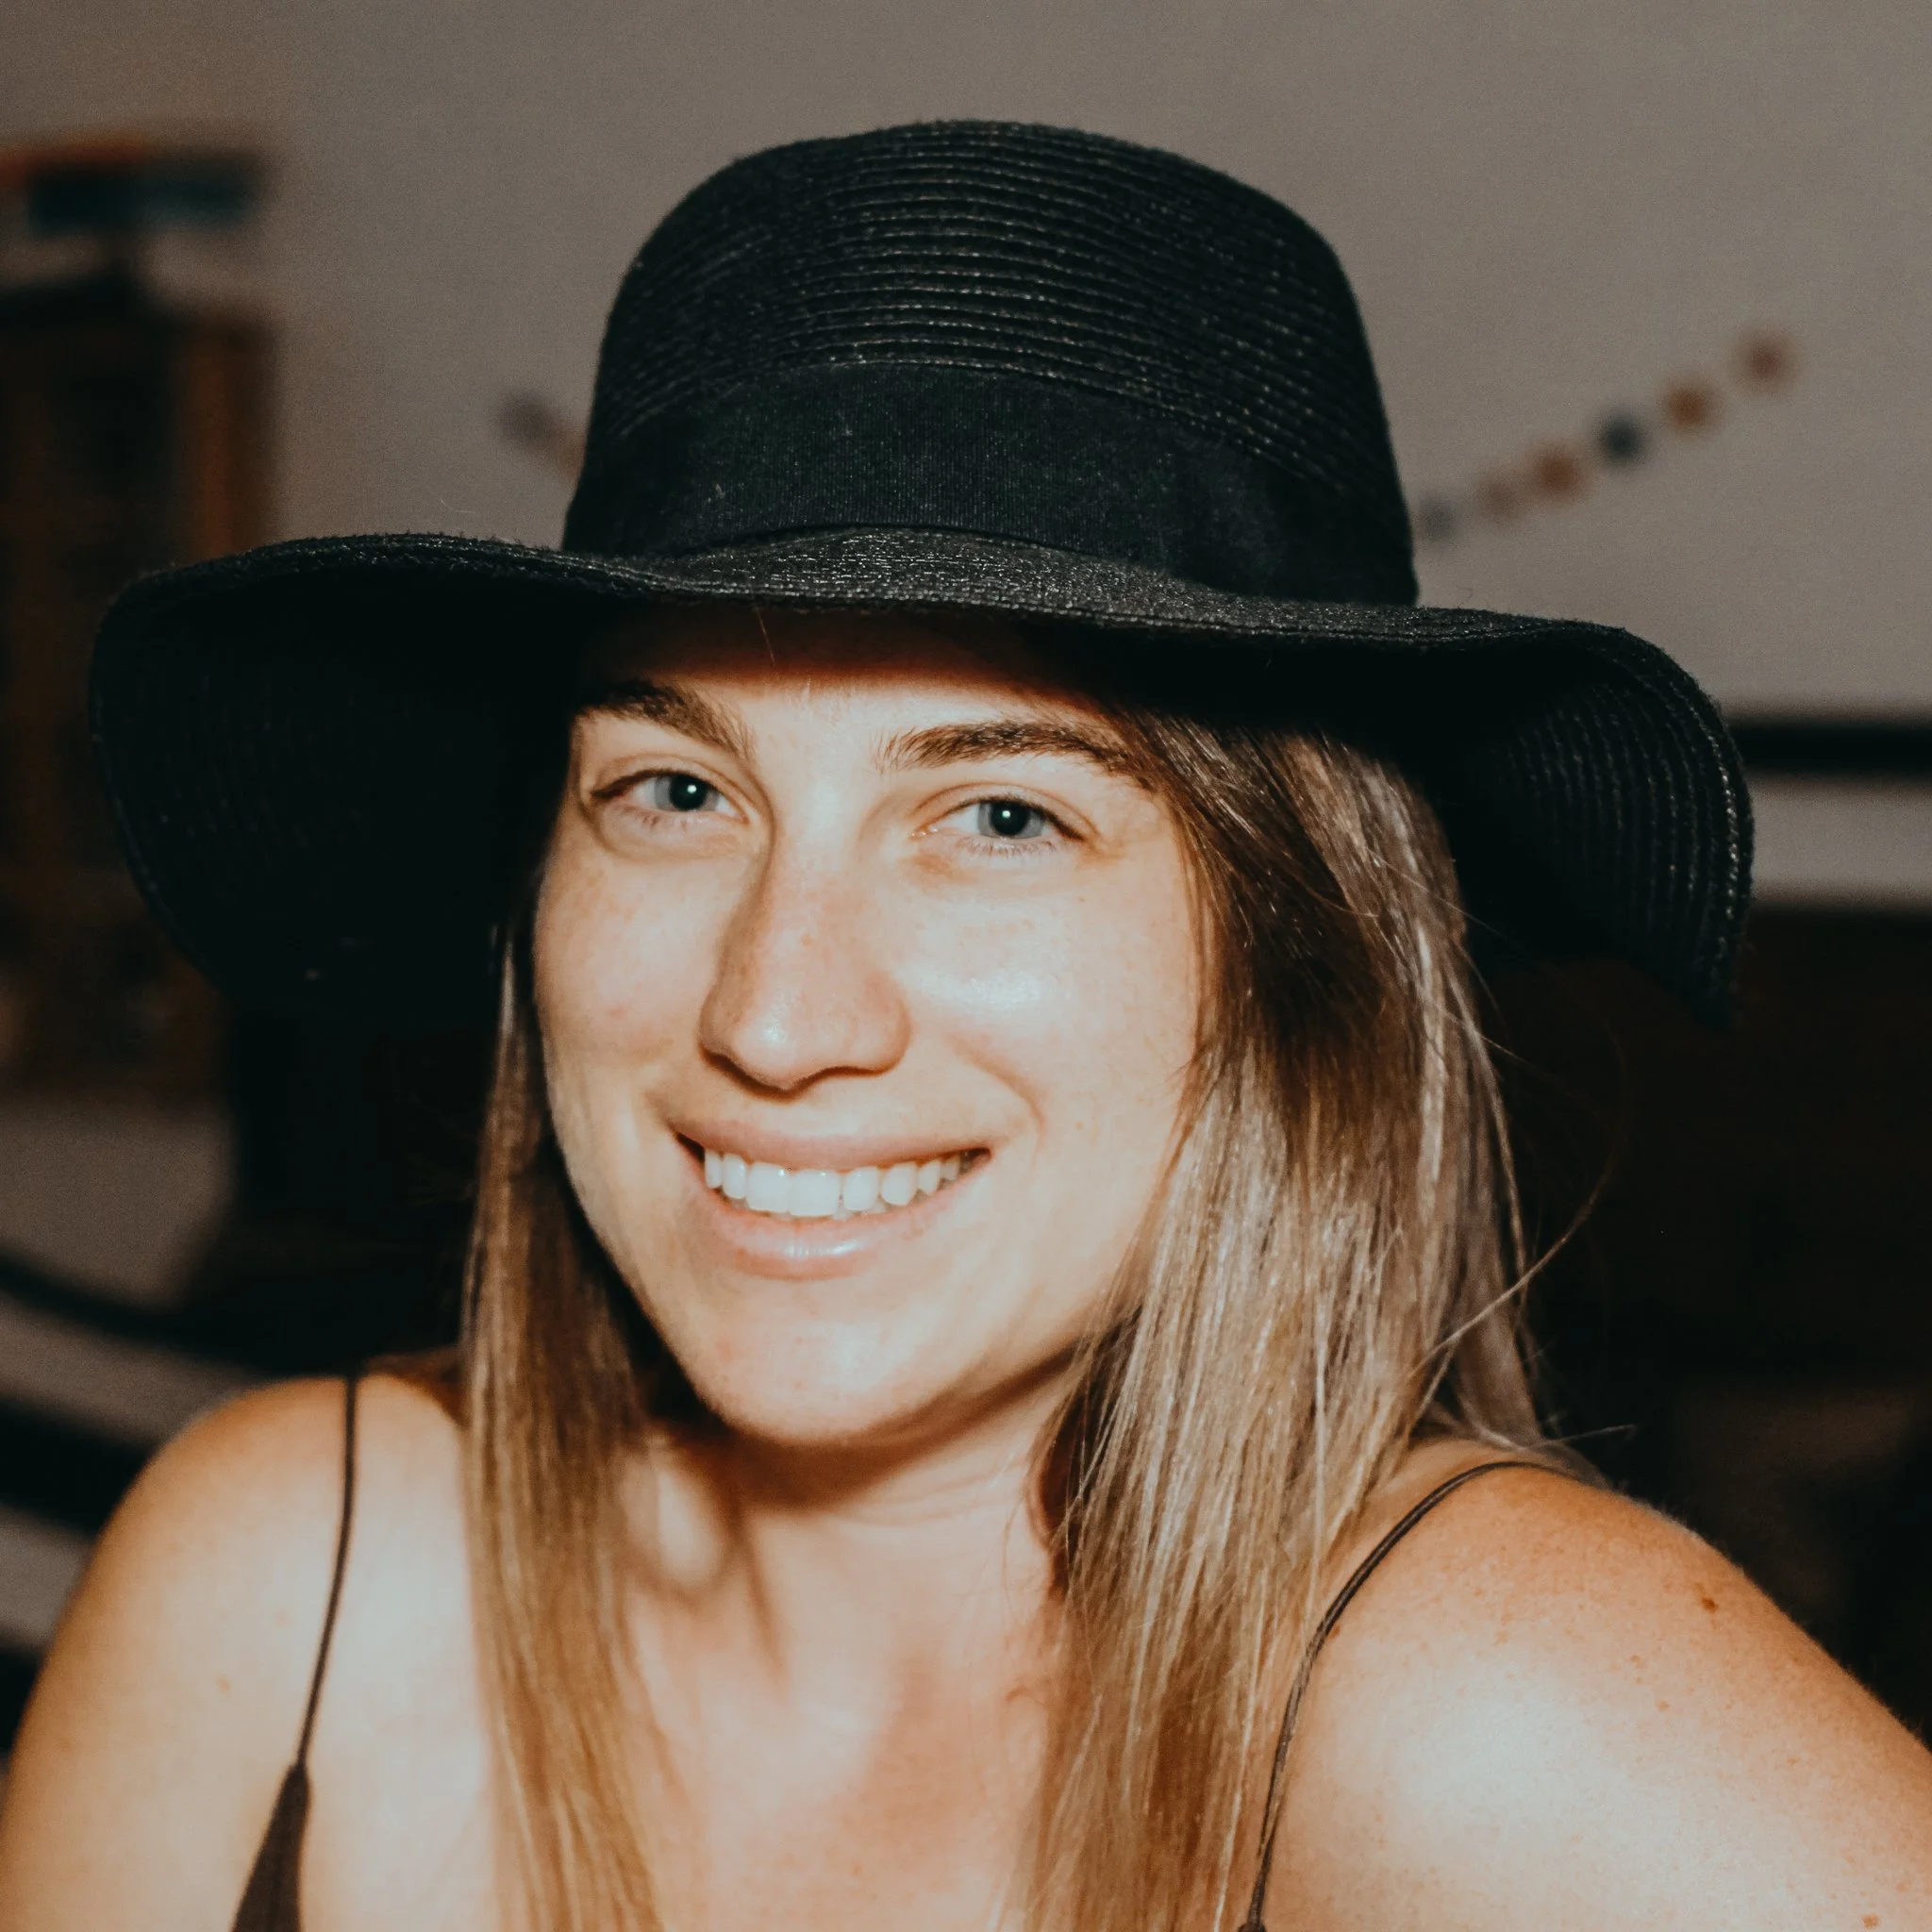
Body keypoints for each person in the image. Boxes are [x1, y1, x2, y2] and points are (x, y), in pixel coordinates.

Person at [1, 121, 1926, 1932]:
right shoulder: (289, 1583)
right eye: (675, 791)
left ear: (1295, 969)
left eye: (1001, 816)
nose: (775, 1015)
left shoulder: (1499, 1701)